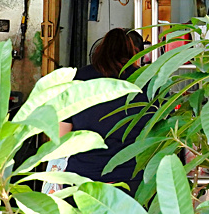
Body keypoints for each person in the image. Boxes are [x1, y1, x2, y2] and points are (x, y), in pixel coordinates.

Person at [59, 28, 154, 187]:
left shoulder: (76, 80)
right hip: (135, 180)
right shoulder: (150, 83)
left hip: (82, 179)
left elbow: (61, 138)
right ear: (136, 55)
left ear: (100, 50)